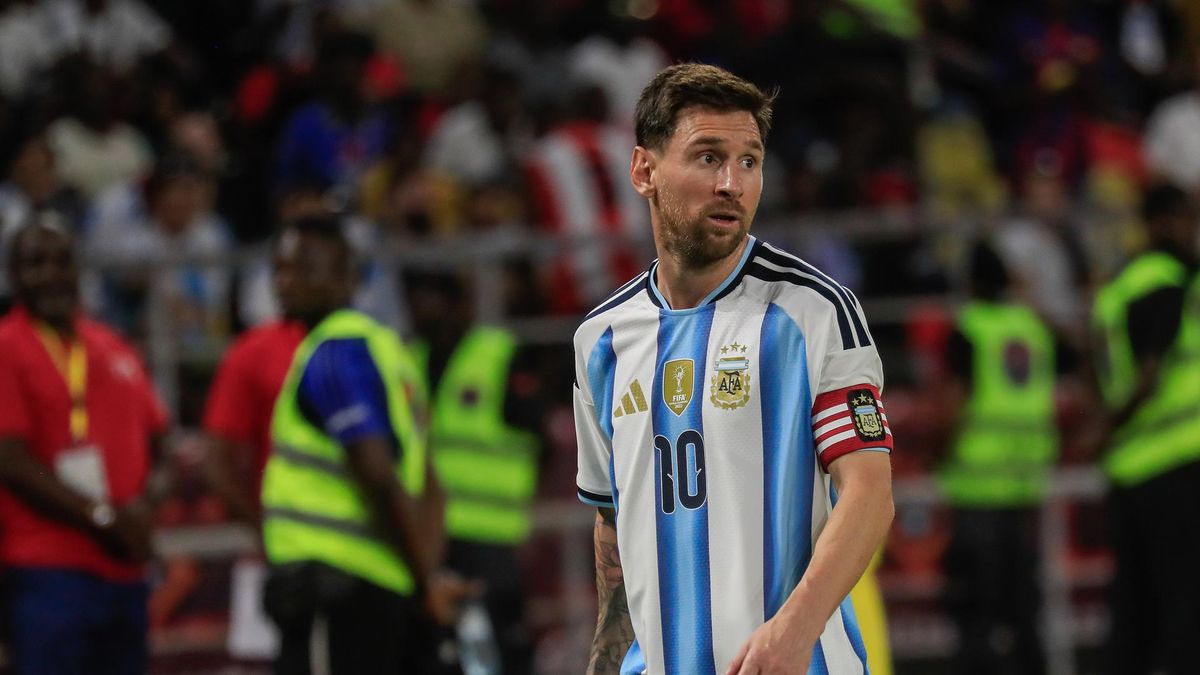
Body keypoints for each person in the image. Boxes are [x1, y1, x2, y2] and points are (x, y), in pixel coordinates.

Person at [574, 63, 895, 675]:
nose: (732, 184)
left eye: (749, 162)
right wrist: (604, 665)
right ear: (643, 171)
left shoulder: (812, 311)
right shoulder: (600, 341)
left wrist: (794, 631)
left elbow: (869, 492)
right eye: (708, 158)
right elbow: (611, 521)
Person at [256, 216, 470, 674]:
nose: (284, 282)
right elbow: (428, 481)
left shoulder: (336, 352)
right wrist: (428, 574)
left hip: (335, 586)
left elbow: (376, 473)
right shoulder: (390, 351)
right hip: (384, 584)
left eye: (303, 269)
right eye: (279, 269)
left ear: (346, 277)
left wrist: (425, 580)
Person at [0, 217, 170, 674]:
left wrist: (144, 508)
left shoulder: (113, 344)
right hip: (46, 569)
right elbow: (9, 459)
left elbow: (163, 443)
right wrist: (102, 518)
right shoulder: (6, 346)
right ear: (13, 276)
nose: (51, 274)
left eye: (62, 261)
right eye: (35, 263)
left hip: (124, 568)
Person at [936, 241, 1068, 675]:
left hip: (978, 482)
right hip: (1027, 480)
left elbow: (955, 402)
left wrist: (938, 450)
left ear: (971, 282)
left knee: (976, 610)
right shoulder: (1031, 327)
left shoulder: (969, 327)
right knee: (1024, 606)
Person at [407, 271, 545, 674]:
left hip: (489, 540)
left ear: (461, 305)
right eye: (416, 298)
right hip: (426, 539)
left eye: (435, 298)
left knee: (492, 653)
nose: (423, 309)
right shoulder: (409, 360)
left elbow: (539, 438)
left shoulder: (498, 355)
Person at [1092, 182, 1200, 675]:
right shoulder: (1168, 278)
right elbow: (1151, 374)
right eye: (1186, 219)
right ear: (1164, 221)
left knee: (1135, 609)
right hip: (1177, 461)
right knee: (1184, 605)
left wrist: (1107, 433)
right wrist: (1107, 426)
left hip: (1130, 466)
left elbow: (1099, 371)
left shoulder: (1121, 285)